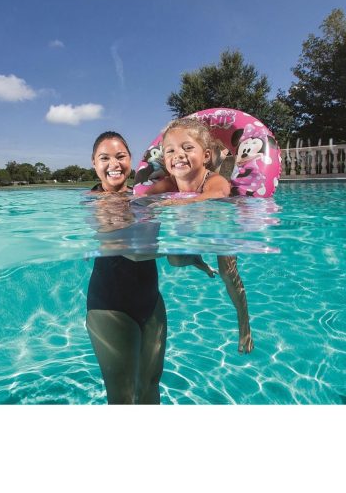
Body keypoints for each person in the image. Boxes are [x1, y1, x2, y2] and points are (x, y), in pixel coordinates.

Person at [142, 117, 254, 354]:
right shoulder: (169, 184)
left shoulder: (214, 179)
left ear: (206, 156)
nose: (178, 155)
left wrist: (177, 204)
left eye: (187, 147)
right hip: (191, 225)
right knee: (174, 259)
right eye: (170, 150)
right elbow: (141, 201)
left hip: (220, 225)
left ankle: (244, 324)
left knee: (228, 272)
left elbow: (217, 194)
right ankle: (198, 260)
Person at [85, 131, 166, 404]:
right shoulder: (93, 201)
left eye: (120, 156)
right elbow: (130, 251)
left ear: (131, 159)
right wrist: (176, 250)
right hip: (110, 306)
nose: (114, 164)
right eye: (104, 158)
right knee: (122, 397)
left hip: (151, 301)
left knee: (150, 384)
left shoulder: (143, 195)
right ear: (94, 163)